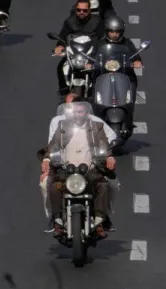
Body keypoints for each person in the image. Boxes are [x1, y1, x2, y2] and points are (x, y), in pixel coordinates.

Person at [38, 98, 117, 237]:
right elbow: (53, 145)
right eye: (75, 111)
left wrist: (109, 156)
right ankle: (56, 221)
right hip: (66, 170)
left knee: (106, 186)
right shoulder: (62, 126)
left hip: (90, 170)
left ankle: (100, 221)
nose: (77, 114)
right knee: (53, 187)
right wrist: (46, 159)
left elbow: (104, 144)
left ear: (86, 112)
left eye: (80, 112)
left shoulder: (96, 126)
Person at [52, 0, 110, 95]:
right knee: (60, 67)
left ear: (89, 10)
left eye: (84, 10)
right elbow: (63, 36)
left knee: (102, 69)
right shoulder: (70, 21)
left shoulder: (98, 21)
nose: (81, 12)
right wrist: (60, 46)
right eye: (79, 10)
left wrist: (103, 49)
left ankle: (98, 91)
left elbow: (102, 38)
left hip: (92, 53)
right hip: (74, 53)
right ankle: (63, 90)